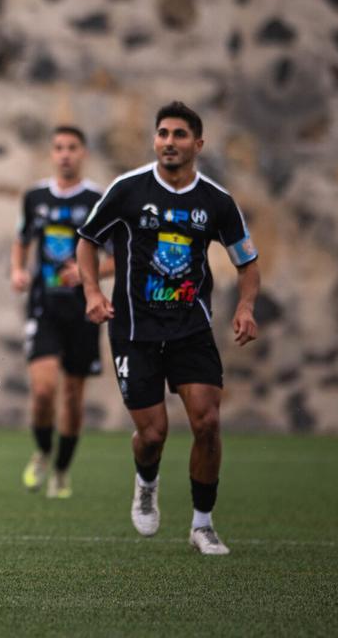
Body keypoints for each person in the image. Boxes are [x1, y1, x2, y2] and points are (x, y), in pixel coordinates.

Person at [77, 101, 259, 555]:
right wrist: (93, 293)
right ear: (155, 140)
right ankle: (146, 483)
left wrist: (246, 306)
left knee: (208, 423)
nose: (169, 142)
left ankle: (202, 524)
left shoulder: (216, 202)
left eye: (179, 134)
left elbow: (247, 262)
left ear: (198, 144)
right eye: (163, 134)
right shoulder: (128, 190)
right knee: (153, 434)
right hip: (133, 331)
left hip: (190, 329)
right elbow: (87, 241)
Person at [10, 126, 111, 499]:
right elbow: (21, 240)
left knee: (72, 395)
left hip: (84, 309)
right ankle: (42, 451)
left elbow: (116, 256)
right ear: (52, 154)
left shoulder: (98, 199)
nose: (65, 154)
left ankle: (63, 470)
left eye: (72, 147)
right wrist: (17, 270)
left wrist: (86, 273)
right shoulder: (36, 197)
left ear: (83, 153)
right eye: (59, 148)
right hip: (44, 308)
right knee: (43, 391)